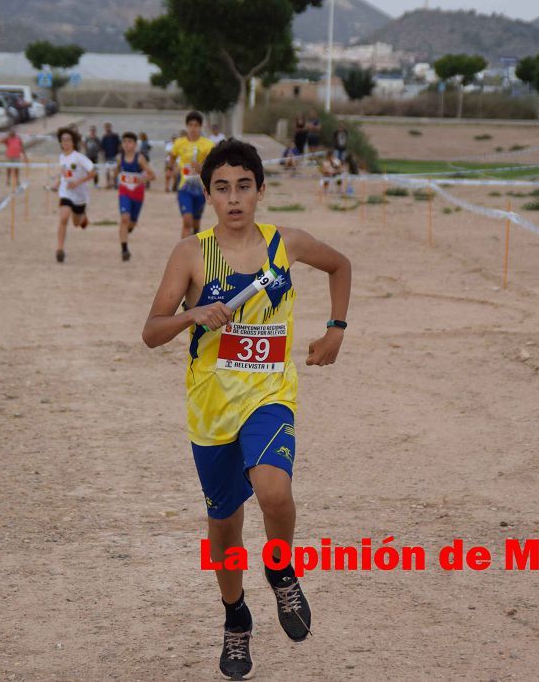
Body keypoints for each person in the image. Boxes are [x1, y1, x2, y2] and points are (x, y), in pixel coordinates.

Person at [141, 139, 351, 681]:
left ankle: (281, 568)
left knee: (274, 491)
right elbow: (151, 332)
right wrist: (194, 316)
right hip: (211, 408)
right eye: (221, 188)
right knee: (224, 523)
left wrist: (336, 330)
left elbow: (340, 266)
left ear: (260, 190)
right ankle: (236, 617)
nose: (234, 198)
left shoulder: (288, 244)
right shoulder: (191, 254)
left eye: (243, 186)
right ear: (208, 194)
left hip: (270, 395)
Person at [49, 127, 96, 264]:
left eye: (68, 140)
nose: (65, 142)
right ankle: (60, 249)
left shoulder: (79, 158)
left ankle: (83, 218)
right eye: (63, 140)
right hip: (66, 193)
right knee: (63, 218)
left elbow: (93, 172)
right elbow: (63, 173)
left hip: (80, 196)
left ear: (73, 142)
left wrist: (78, 182)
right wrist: (57, 184)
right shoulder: (61, 157)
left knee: (76, 223)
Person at [171, 112, 216, 239]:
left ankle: (195, 234)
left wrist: (202, 168)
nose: (193, 128)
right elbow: (172, 158)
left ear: (200, 127)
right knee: (187, 221)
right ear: (187, 126)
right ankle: (184, 254)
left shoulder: (208, 144)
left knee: (195, 222)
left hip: (200, 189)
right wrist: (172, 168)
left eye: (196, 125)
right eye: (190, 125)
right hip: (184, 187)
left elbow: (213, 165)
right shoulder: (179, 143)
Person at [116, 132, 157, 262]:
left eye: (129, 142)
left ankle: (127, 231)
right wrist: (114, 179)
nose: (127, 145)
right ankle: (124, 249)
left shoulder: (139, 159)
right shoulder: (119, 157)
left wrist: (142, 179)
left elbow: (152, 175)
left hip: (137, 194)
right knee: (124, 218)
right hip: (124, 192)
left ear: (135, 144)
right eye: (124, 142)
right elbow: (116, 170)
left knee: (132, 222)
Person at [100, 122, 121, 190]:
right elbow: (102, 147)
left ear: (111, 127)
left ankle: (115, 184)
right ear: (105, 128)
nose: (107, 128)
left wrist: (119, 154)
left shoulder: (115, 136)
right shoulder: (104, 137)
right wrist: (102, 155)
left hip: (115, 155)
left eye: (108, 127)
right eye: (106, 127)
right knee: (107, 171)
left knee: (115, 170)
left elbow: (119, 145)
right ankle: (108, 184)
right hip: (107, 156)